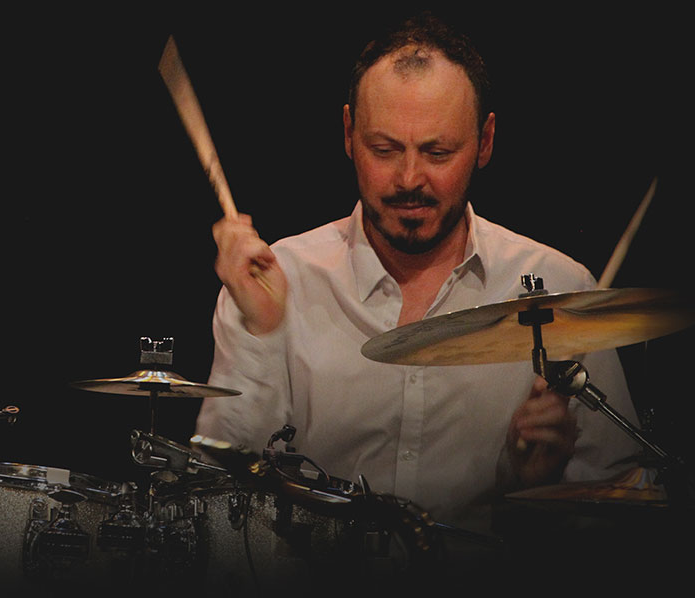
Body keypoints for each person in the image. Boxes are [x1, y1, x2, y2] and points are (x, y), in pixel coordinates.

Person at [193, 12, 642, 557]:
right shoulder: (276, 278)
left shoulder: (562, 287)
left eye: (437, 152)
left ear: (485, 142)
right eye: (384, 150)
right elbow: (217, 490)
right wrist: (262, 334)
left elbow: (619, 516)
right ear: (348, 135)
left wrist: (540, 488)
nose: (409, 179)